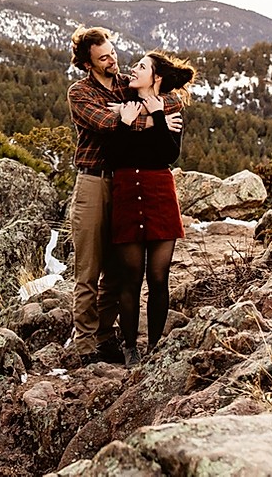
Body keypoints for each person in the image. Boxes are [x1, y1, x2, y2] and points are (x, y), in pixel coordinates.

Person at [65, 27, 182, 364]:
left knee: (117, 272)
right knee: (89, 269)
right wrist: (151, 122)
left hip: (124, 184)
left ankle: (106, 338)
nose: (113, 60)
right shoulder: (80, 92)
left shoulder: (121, 85)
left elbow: (169, 98)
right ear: (88, 63)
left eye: (113, 53)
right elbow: (104, 123)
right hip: (93, 182)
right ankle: (85, 345)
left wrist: (152, 111)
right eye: (104, 58)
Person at [106, 50, 196, 366]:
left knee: (159, 277)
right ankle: (130, 347)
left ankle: (155, 347)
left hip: (159, 195)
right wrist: (125, 123)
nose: (134, 70)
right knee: (130, 276)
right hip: (128, 194)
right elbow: (115, 156)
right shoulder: (125, 110)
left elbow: (167, 155)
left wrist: (155, 117)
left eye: (141, 67)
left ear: (156, 78)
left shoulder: (169, 110)